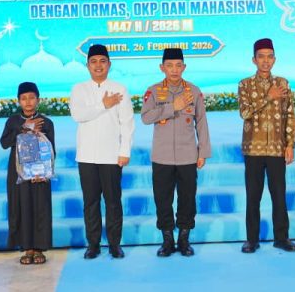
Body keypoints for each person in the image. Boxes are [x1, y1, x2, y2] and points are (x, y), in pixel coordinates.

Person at [141, 47, 211, 257]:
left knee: (187, 199)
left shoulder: (194, 91)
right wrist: (173, 106)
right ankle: (167, 240)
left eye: (178, 65)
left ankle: (184, 239)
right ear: (162, 67)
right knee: (162, 199)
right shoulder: (153, 91)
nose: (174, 69)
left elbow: (201, 123)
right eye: (169, 65)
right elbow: (146, 117)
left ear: (184, 67)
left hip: (187, 155)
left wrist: (202, 152)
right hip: (162, 156)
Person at [69, 44, 134, 259]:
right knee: (91, 202)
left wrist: (125, 151)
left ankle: (115, 244)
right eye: (94, 62)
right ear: (87, 65)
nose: (98, 66)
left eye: (103, 61)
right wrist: (103, 105)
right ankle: (93, 244)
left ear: (109, 64)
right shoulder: (79, 89)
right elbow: (78, 115)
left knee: (113, 201)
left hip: (112, 155)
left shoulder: (119, 88)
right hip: (86, 155)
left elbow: (127, 123)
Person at [237, 38, 295, 253]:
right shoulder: (245, 84)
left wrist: (290, 144)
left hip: (276, 149)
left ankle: (282, 238)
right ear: (254, 60)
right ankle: (251, 240)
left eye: (269, 57)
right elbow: (245, 112)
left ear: (274, 59)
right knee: (253, 196)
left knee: (279, 196)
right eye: (261, 57)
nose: (265, 61)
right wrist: (268, 97)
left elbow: (290, 115)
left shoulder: (283, 83)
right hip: (253, 149)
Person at [1, 82, 56, 265]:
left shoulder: (46, 123)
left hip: (40, 173)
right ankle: (27, 248)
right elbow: (4, 143)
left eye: (32, 97)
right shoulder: (13, 121)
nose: (28, 102)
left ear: (38, 100)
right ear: (18, 101)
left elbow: (51, 150)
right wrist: (23, 128)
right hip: (19, 172)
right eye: (23, 98)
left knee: (40, 208)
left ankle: (39, 248)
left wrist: (45, 172)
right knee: (22, 207)